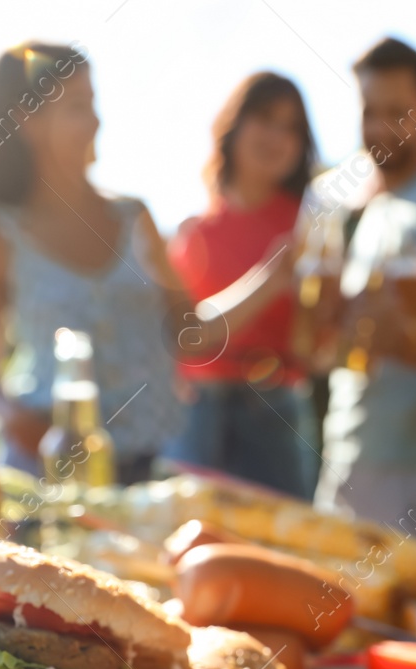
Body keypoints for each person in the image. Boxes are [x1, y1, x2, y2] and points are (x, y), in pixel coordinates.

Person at [0, 43, 292, 485]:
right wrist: (11, 416)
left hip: (149, 471)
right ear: (28, 121)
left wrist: (272, 278)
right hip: (48, 474)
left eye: (94, 104)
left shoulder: (134, 218)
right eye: (78, 107)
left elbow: (189, 332)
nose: (97, 121)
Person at [307, 37, 416, 545]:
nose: (379, 129)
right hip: (355, 448)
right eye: (369, 111)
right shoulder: (373, 209)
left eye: (395, 112)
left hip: (412, 464)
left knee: (382, 619)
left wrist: (383, 332)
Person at [164, 72, 319, 498]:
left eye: (291, 128)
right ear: (235, 125)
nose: (277, 136)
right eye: (266, 118)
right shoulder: (194, 233)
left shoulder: (311, 226)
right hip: (199, 408)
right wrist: (268, 282)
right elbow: (186, 337)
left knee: (281, 545)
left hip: (277, 409)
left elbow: (317, 344)